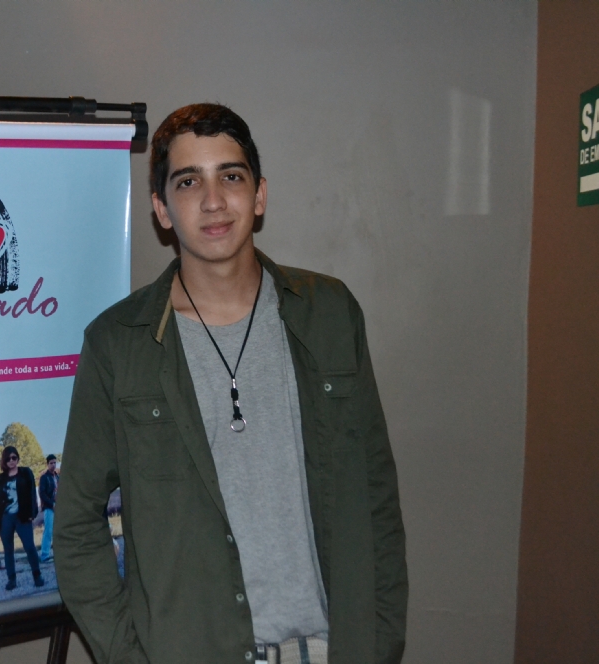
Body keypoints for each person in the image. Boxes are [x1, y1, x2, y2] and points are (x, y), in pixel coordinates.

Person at [54, 104, 407, 664]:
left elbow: (377, 496)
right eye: (188, 181)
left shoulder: (331, 314)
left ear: (259, 195)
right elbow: (76, 529)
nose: (213, 200)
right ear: (161, 209)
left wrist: (380, 641)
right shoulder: (117, 345)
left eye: (231, 176)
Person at [0, 446, 45, 590]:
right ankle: (11, 579)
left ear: (17, 458)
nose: (11, 461)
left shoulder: (26, 473)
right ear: (4, 461)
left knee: (29, 547)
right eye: (8, 459)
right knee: (8, 549)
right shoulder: (1, 479)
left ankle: (37, 575)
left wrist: (32, 513)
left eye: (14, 457)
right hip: (6, 518)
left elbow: (32, 493)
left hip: (22, 516)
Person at [37, 454, 59, 563]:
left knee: (58, 531)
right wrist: (51, 504)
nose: (53, 465)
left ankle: (58, 553)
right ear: (47, 464)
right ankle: (45, 555)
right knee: (48, 531)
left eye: (55, 462)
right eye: (51, 463)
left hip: (59, 506)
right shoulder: (44, 477)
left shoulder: (58, 477)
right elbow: (42, 493)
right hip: (49, 507)